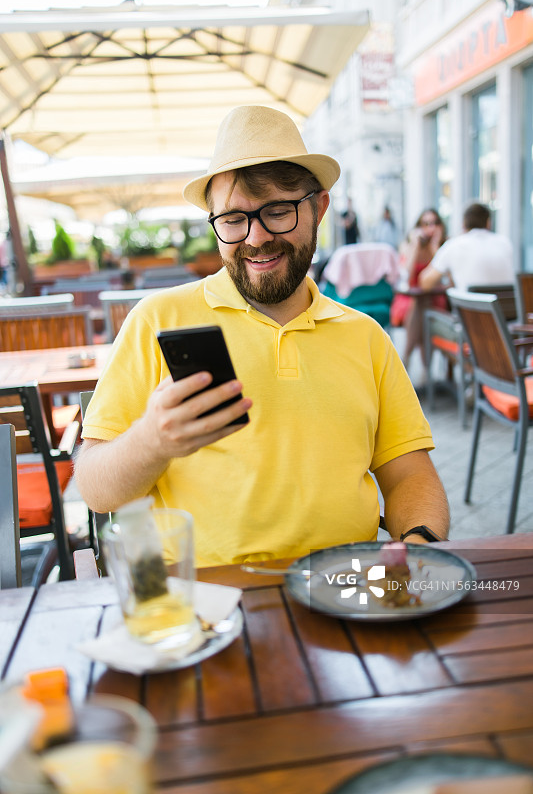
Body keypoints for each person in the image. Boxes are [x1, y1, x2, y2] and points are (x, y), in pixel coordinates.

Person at [75, 105, 449, 567]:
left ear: (319, 207)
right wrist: (152, 440)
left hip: (345, 590)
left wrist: (418, 546)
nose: (254, 238)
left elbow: (408, 474)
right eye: (232, 219)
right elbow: (94, 489)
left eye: (277, 210)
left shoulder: (365, 336)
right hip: (211, 603)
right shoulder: (157, 318)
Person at [390, 208, 447, 368]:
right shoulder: (408, 244)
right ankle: (425, 370)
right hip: (410, 299)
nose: (431, 227)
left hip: (435, 298)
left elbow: (444, 277)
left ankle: (405, 358)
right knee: (419, 306)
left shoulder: (443, 246)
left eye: (435, 223)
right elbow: (405, 276)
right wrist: (415, 246)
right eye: (426, 223)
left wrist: (436, 247)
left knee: (422, 307)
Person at [419, 202, 515, 292]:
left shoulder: (454, 244)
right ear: (488, 223)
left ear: (463, 224)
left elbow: (425, 283)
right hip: (505, 309)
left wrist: (434, 247)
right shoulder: (505, 243)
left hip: (470, 309)